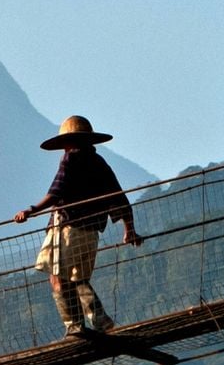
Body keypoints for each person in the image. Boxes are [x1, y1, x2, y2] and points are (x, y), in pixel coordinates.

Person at [15, 115, 143, 336]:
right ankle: (100, 322)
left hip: (68, 227)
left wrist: (31, 210)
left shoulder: (71, 159)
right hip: (91, 230)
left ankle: (75, 326)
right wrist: (128, 229)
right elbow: (119, 197)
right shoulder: (99, 163)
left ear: (69, 141)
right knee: (77, 277)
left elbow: (56, 192)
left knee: (58, 276)